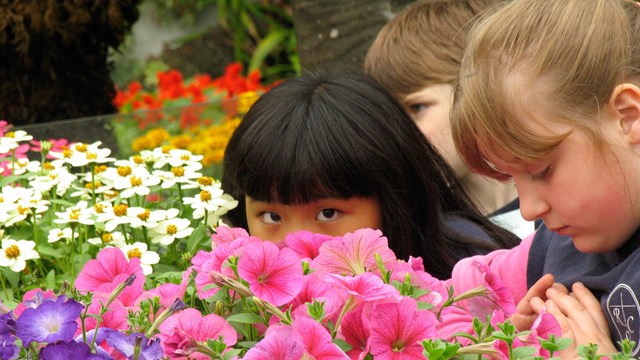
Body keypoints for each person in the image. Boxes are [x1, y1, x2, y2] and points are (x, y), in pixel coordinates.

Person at [446, 0, 640, 356]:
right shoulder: (555, 246)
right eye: (513, 179)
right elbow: (444, 304)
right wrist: (496, 341)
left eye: (541, 171)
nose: (529, 211)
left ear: (628, 117)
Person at [221, 71, 520, 279]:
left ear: (396, 199)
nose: (296, 247)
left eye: (327, 213)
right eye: (271, 217)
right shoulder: (236, 293)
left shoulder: (469, 270)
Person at [364, 0, 535, 238]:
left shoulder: (561, 215)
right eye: (390, 118)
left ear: (480, 89)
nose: (400, 133)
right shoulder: (430, 238)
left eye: (418, 107)